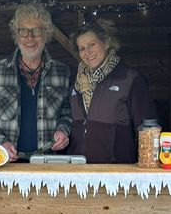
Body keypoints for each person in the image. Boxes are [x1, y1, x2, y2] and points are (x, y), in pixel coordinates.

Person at [0, 2, 72, 161]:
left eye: (37, 31)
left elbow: (68, 113)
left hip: (48, 162)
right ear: (16, 35)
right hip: (6, 163)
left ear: (46, 35)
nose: (30, 37)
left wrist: (63, 130)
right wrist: (1, 142)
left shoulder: (62, 72)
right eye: (23, 31)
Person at [67, 21, 158, 163]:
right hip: (79, 166)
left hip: (116, 169)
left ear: (106, 43)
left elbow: (148, 129)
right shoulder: (74, 80)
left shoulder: (130, 79)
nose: (87, 52)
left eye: (92, 44)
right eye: (82, 48)